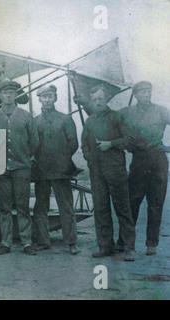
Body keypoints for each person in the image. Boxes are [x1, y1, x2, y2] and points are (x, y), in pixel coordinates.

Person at [81, 86, 136, 261]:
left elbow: (130, 139)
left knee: (122, 209)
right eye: (94, 100)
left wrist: (110, 144)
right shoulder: (89, 121)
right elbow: (84, 144)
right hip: (97, 172)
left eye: (100, 99)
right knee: (101, 209)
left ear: (106, 99)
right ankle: (105, 246)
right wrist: (90, 159)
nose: (97, 102)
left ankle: (128, 248)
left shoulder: (117, 117)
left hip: (116, 171)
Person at [0, 80, 39, 255]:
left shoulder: (26, 116)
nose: (8, 96)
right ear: (0, 95)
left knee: (23, 205)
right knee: (4, 206)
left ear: (16, 95)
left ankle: (26, 242)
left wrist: (25, 157)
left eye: (11, 93)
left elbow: (34, 142)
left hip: (21, 166)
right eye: (4, 93)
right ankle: (5, 242)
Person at [117, 81, 170, 255]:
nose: (146, 95)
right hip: (139, 160)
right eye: (142, 92)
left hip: (158, 160)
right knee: (133, 201)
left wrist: (168, 147)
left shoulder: (161, 111)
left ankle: (152, 244)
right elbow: (109, 120)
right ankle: (125, 243)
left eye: (148, 91)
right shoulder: (128, 113)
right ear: (136, 95)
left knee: (156, 202)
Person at [32, 85, 80, 255]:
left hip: (61, 170)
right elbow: (33, 146)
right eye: (44, 96)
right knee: (40, 207)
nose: (47, 99)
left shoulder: (65, 119)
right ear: (40, 99)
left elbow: (73, 143)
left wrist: (61, 159)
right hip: (42, 171)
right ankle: (43, 241)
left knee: (66, 206)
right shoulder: (35, 121)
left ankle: (71, 242)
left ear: (55, 98)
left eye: (50, 96)